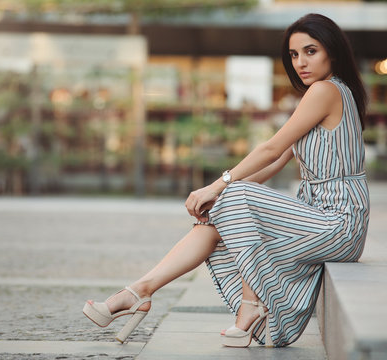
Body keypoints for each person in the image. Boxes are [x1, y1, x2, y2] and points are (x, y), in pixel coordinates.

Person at [83, 13, 369, 348]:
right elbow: (277, 160)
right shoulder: (328, 93)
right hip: (319, 218)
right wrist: (226, 198)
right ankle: (139, 292)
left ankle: (250, 306)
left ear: (332, 53)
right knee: (224, 209)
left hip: (339, 223)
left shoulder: (325, 91)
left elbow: (271, 146)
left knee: (233, 196)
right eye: (293, 55)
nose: (300, 63)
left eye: (310, 51)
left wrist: (218, 186)